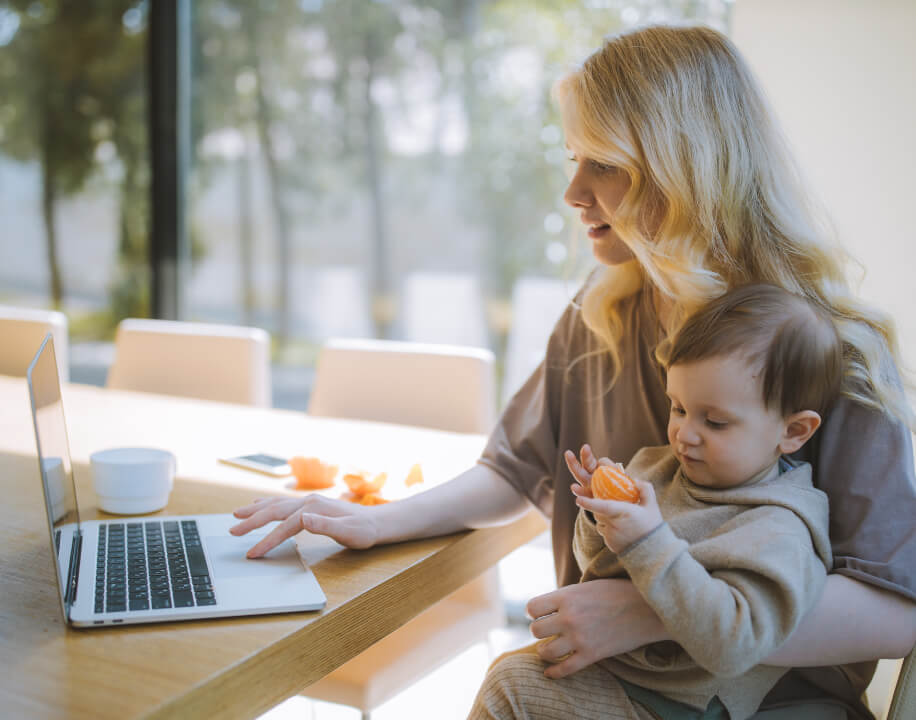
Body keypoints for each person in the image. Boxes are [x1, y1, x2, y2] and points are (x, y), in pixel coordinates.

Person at [230, 24, 916, 718]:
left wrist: (652, 610)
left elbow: (894, 610)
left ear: (686, 169)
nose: (573, 192)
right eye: (572, 158)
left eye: (605, 164)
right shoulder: (602, 315)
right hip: (613, 684)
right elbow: (514, 470)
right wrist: (380, 521)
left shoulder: (837, 353)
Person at [471, 284, 839, 720]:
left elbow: (734, 646)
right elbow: (598, 569)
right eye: (678, 407)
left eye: (715, 421)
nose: (685, 433)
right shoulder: (659, 468)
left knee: (510, 688)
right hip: (619, 674)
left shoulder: (781, 528)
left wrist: (647, 540)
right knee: (509, 668)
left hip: (678, 705)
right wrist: (601, 517)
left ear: (794, 432)